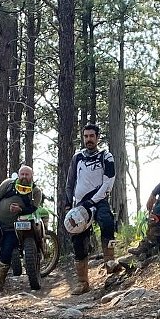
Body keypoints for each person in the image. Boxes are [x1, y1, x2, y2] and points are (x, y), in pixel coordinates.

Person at [63, 123, 117, 295]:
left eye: (91, 136)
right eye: (86, 136)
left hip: (99, 200)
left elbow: (109, 181)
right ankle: (82, 282)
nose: (88, 139)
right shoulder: (77, 157)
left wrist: (93, 200)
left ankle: (111, 264)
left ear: (97, 137)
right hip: (79, 204)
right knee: (78, 240)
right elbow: (70, 182)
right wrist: (66, 202)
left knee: (108, 223)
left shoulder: (106, 156)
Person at [0, 165, 42, 292]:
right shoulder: (8, 184)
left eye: (27, 174)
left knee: (6, 251)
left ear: (31, 176)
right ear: (18, 175)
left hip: (15, 228)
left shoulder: (36, 191)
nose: (24, 177)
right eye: (22, 174)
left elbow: (33, 208)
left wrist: (21, 209)